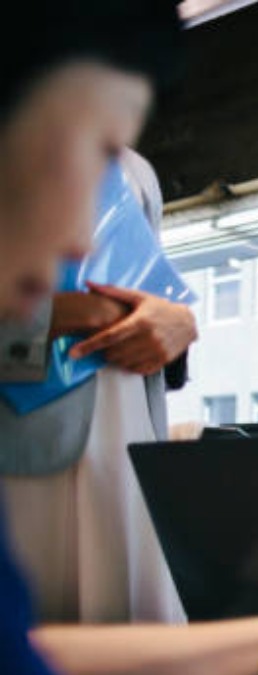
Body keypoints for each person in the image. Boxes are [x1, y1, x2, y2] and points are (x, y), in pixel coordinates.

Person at [0, 2, 258, 673]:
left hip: (121, 444)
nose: (79, 238)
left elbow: (30, 649)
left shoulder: (137, 180)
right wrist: (87, 312)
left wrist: (179, 325)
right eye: (78, 153)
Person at [0, 147, 195, 625]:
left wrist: (179, 324)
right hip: (19, 449)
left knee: (134, 628)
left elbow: (148, 294)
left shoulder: (134, 169)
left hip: (127, 450)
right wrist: (74, 314)